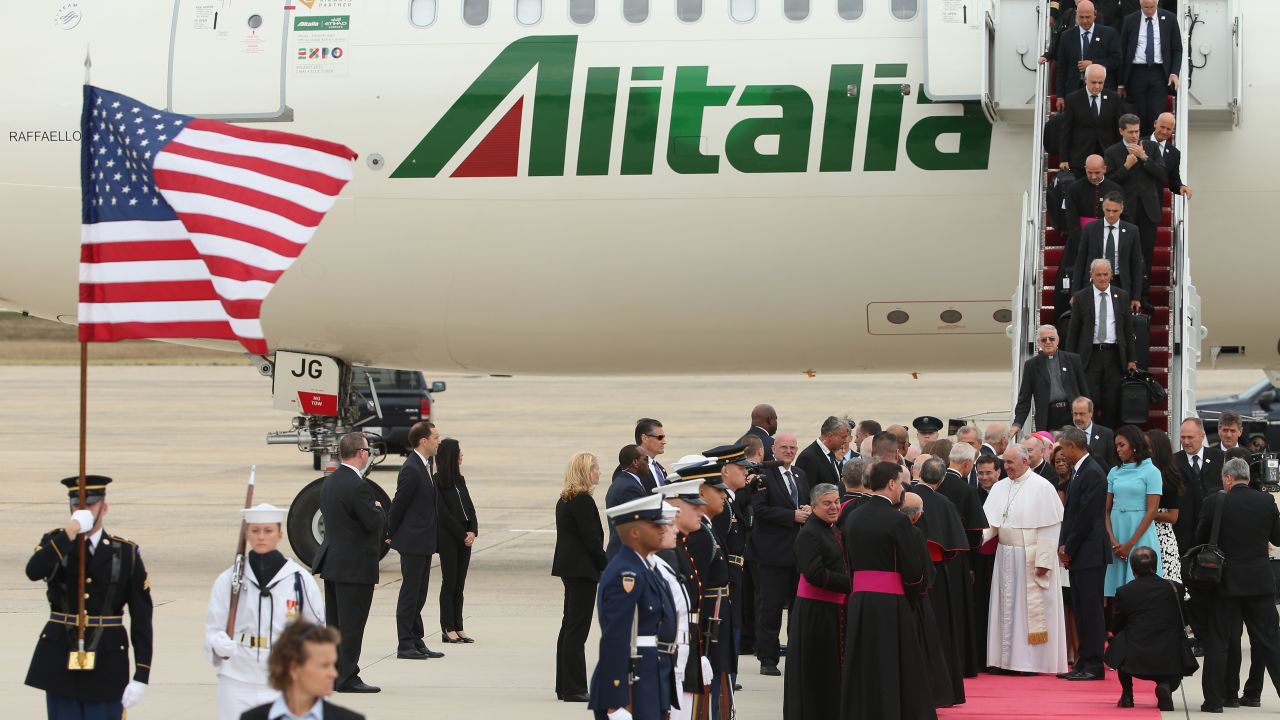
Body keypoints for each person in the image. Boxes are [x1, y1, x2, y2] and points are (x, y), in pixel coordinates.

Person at [25, 475, 153, 720]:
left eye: (90, 504)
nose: (82, 510)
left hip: (107, 661)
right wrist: (70, 532)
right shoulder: (56, 542)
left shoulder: (125, 553)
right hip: (60, 657)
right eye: (76, 505)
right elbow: (34, 571)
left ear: (103, 507)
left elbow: (142, 618)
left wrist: (142, 674)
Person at [204, 503, 325, 720]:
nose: (261, 537)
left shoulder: (299, 580)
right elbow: (213, 627)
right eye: (255, 530)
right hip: (237, 677)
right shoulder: (228, 580)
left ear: (279, 534)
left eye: (268, 531)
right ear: (247, 534)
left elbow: (317, 631)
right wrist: (217, 644)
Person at [841, 462, 936, 719]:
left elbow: (848, 562)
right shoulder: (897, 520)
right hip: (891, 602)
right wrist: (913, 599)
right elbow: (913, 570)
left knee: (864, 661)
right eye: (901, 484)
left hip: (860, 599)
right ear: (892, 484)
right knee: (893, 662)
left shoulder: (852, 516)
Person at [1197, 458, 1280, 713]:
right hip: (1259, 582)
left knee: (1218, 640)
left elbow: (1200, 539)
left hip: (1225, 582)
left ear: (1228, 478)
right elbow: (1276, 538)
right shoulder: (1267, 501)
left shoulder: (1214, 502)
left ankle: (1214, 701)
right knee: (1270, 641)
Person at [588, 493, 678, 720]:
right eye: (655, 525)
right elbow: (615, 638)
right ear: (635, 532)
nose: (662, 529)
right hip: (630, 683)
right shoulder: (626, 574)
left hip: (648, 678)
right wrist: (614, 701)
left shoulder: (645, 567)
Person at [983, 444, 1069, 675]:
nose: (1007, 467)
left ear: (1025, 462)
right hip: (1005, 555)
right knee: (1006, 609)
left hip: (1030, 557)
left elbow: (1051, 526)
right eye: (1005, 463)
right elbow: (991, 523)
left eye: (1011, 463)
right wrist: (973, 540)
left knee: (1026, 612)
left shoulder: (1043, 487)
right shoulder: (1000, 487)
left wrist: (1043, 560)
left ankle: (1029, 663)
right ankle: (1004, 661)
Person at [314, 432, 387, 692]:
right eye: (367, 449)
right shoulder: (358, 486)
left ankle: (335, 674)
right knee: (352, 625)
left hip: (334, 563)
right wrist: (378, 508)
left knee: (335, 625)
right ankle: (347, 677)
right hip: (354, 567)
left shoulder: (331, 481)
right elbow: (372, 523)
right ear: (361, 453)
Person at [783, 483, 849, 720]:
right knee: (817, 673)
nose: (834, 507)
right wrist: (851, 584)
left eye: (836, 501)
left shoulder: (832, 529)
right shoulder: (809, 533)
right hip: (816, 613)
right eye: (827, 503)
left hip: (832, 610)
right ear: (813, 506)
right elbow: (815, 574)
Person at [908, 458, 971, 702]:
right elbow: (953, 547)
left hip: (913, 575)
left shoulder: (907, 496)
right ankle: (943, 690)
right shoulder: (945, 502)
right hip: (938, 575)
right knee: (941, 633)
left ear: (919, 473)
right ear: (942, 480)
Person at [749, 432, 809, 677]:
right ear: (773, 448)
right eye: (784, 447)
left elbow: (804, 500)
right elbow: (760, 510)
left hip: (798, 553)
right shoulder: (763, 476)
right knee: (770, 608)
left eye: (792, 447)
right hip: (772, 554)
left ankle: (796, 655)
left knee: (798, 609)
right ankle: (768, 658)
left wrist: (806, 508)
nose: (788, 451)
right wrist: (790, 516)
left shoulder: (800, 475)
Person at [654, 479, 714, 720]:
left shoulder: (681, 549)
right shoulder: (668, 554)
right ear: (676, 510)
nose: (701, 511)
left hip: (687, 647)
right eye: (694, 507)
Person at [387, 422, 445, 664]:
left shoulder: (424, 465)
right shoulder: (411, 468)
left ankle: (416, 639)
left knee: (420, 593)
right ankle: (405, 643)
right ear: (423, 440)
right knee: (410, 593)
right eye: (435, 437)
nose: (438, 441)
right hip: (412, 541)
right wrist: (389, 532)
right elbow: (399, 504)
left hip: (423, 541)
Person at [1106, 547, 1190, 711]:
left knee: (1120, 638)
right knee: (1175, 638)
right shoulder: (1175, 588)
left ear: (1133, 569)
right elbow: (1185, 620)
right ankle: (1165, 685)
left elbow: (1116, 626)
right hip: (1168, 654)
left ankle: (1128, 694)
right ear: (1156, 565)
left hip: (1136, 655)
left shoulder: (1125, 591)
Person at [552, 452, 607, 703]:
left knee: (569, 626)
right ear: (586, 471)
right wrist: (605, 566)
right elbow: (592, 541)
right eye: (596, 468)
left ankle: (565, 685)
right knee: (577, 629)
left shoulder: (566, 499)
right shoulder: (583, 500)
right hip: (582, 570)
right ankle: (574, 687)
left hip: (571, 569)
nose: (599, 473)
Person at [1056, 427, 1110, 681]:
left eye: (1064, 448)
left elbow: (1086, 517)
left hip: (1089, 553)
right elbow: (1070, 515)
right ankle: (1083, 659)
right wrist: (1063, 545)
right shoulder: (1080, 471)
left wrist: (1070, 546)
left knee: (1091, 610)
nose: (1062, 453)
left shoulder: (1093, 473)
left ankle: (1094, 664)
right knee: (1080, 608)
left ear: (1073, 446)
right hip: (1079, 553)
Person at [240, 621, 365, 720]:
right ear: (294, 668)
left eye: (333, 664)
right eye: (324, 665)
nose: (334, 674)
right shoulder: (251, 718)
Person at [1067, 259, 1138, 430]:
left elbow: (1128, 331)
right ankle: (1088, 436)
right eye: (1098, 274)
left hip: (1114, 355)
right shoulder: (1081, 297)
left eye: (1106, 274)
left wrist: (1132, 359)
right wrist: (1070, 359)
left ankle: (1107, 437)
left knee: (1111, 401)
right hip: (1090, 355)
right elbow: (1073, 331)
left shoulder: (1121, 296)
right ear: (1091, 275)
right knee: (1089, 399)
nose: (1102, 278)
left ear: (1111, 275)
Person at [1175, 416, 1224, 656]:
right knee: (1191, 590)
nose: (1185, 442)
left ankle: (1213, 635)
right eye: (1182, 437)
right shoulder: (1174, 462)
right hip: (1185, 539)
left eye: (1190, 437)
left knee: (1214, 589)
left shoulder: (1218, 459)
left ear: (1202, 436)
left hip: (1213, 539)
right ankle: (1200, 635)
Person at [1104, 114, 1165, 296]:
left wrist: (1144, 158)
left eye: (1137, 131)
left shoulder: (1151, 147)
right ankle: (1124, 294)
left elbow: (1162, 174)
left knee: (1146, 254)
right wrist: (1126, 167)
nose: (1134, 135)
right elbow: (1109, 183)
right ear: (1121, 131)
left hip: (1148, 210)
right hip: (1126, 212)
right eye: (1130, 132)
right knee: (1124, 254)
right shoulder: (1112, 152)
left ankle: (1142, 296)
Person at [1103, 425, 1163, 597]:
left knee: (1142, 591)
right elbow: (1105, 510)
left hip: (1140, 533)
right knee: (1117, 592)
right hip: (1117, 535)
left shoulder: (1152, 472)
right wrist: (1113, 541)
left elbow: (1152, 511)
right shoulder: (1114, 472)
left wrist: (1130, 544)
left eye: (1122, 445)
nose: (1118, 449)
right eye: (1116, 446)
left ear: (1134, 445)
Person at [435, 439, 478, 644]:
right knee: (449, 582)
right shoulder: (437, 482)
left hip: (465, 538)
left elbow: (470, 508)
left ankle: (459, 625)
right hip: (450, 538)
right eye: (459, 452)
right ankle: (447, 627)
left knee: (459, 585)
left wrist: (473, 531)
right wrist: (462, 535)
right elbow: (443, 515)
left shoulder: (460, 480)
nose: (462, 455)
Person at [1013, 326, 1091, 436]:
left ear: (1058, 340)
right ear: (1039, 342)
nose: (1048, 342)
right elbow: (1024, 399)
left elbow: (1084, 391)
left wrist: (1088, 416)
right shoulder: (1031, 365)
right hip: (1048, 417)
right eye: (1044, 340)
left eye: (1052, 338)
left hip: (1071, 413)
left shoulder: (1073, 360)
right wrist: (1017, 423)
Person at [1119, 0, 1182, 135]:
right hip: (1137, 72)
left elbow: (1177, 49)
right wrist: (1121, 83)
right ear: (1140, 4)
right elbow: (1123, 52)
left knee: (1155, 113)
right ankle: (1139, 145)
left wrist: (1174, 73)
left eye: (1152, 7)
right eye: (1145, 7)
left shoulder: (1170, 19)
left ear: (1157, 3)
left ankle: (1153, 147)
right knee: (1139, 113)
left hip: (1159, 73)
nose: (1149, 10)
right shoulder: (1130, 20)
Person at [1070, 194, 1144, 299]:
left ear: (1121, 210)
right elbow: (1080, 261)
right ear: (1103, 209)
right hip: (1094, 281)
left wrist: (1136, 297)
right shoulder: (1090, 229)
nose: (1111, 214)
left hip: (1120, 282)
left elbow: (1136, 265)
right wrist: (1075, 293)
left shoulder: (1132, 231)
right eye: (1108, 210)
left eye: (1115, 211)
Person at [1058, 64, 1123, 172]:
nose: (1097, 86)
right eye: (1093, 82)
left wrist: (1120, 154)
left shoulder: (1113, 98)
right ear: (1085, 79)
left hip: (1107, 155)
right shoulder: (1073, 99)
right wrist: (1063, 158)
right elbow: (1066, 130)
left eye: (1100, 82)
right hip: (1080, 157)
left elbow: (1118, 128)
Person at [1054, 1, 1122, 99]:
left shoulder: (1109, 34)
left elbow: (1116, 61)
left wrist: (1093, 64)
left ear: (1095, 15)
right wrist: (1060, 96)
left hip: (1101, 90)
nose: (1085, 21)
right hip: (1074, 90)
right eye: (1081, 17)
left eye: (1088, 17)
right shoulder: (1066, 36)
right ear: (1076, 16)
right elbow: (1062, 68)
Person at [1143, 429, 1184, 585]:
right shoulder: (1140, 472)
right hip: (1141, 532)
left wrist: (1149, 514)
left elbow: (1173, 517)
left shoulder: (1169, 476)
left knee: (1166, 584)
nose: (1144, 451)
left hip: (1161, 538)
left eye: (1149, 447)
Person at [605, 445, 652, 559]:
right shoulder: (629, 488)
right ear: (635, 462)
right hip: (625, 552)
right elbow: (639, 523)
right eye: (646, 459)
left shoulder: (624, 482)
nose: (648, 463)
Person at [795, 416, 848, 494]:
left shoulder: (830, 453)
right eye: (843, 437)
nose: (845, 441)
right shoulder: (808, 458)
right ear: (830, 436)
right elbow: (807, 493)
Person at [1151, 112, 1191, 200]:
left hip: (1155, 202)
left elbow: (1174, 180)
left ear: (1173, 130)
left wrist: (1181, 187)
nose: (1164, 131)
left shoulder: (1174, 153)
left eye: (1168, 129)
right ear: (1155, 124)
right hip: (1134, 200)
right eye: (1162, 127)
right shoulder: (1138, 143)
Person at [1072, 396, 1118, 468]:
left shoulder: (1106, 434)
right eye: (1075, 414)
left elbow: (1113, 464)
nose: (1078, 418)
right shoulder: (1067, 436)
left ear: (1091, 413)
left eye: (1081, 414)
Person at [636, 418, 669, 489]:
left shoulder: (660, 469)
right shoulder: (631, 468)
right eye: (660, 437)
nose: (664, 442)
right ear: (645, 438)